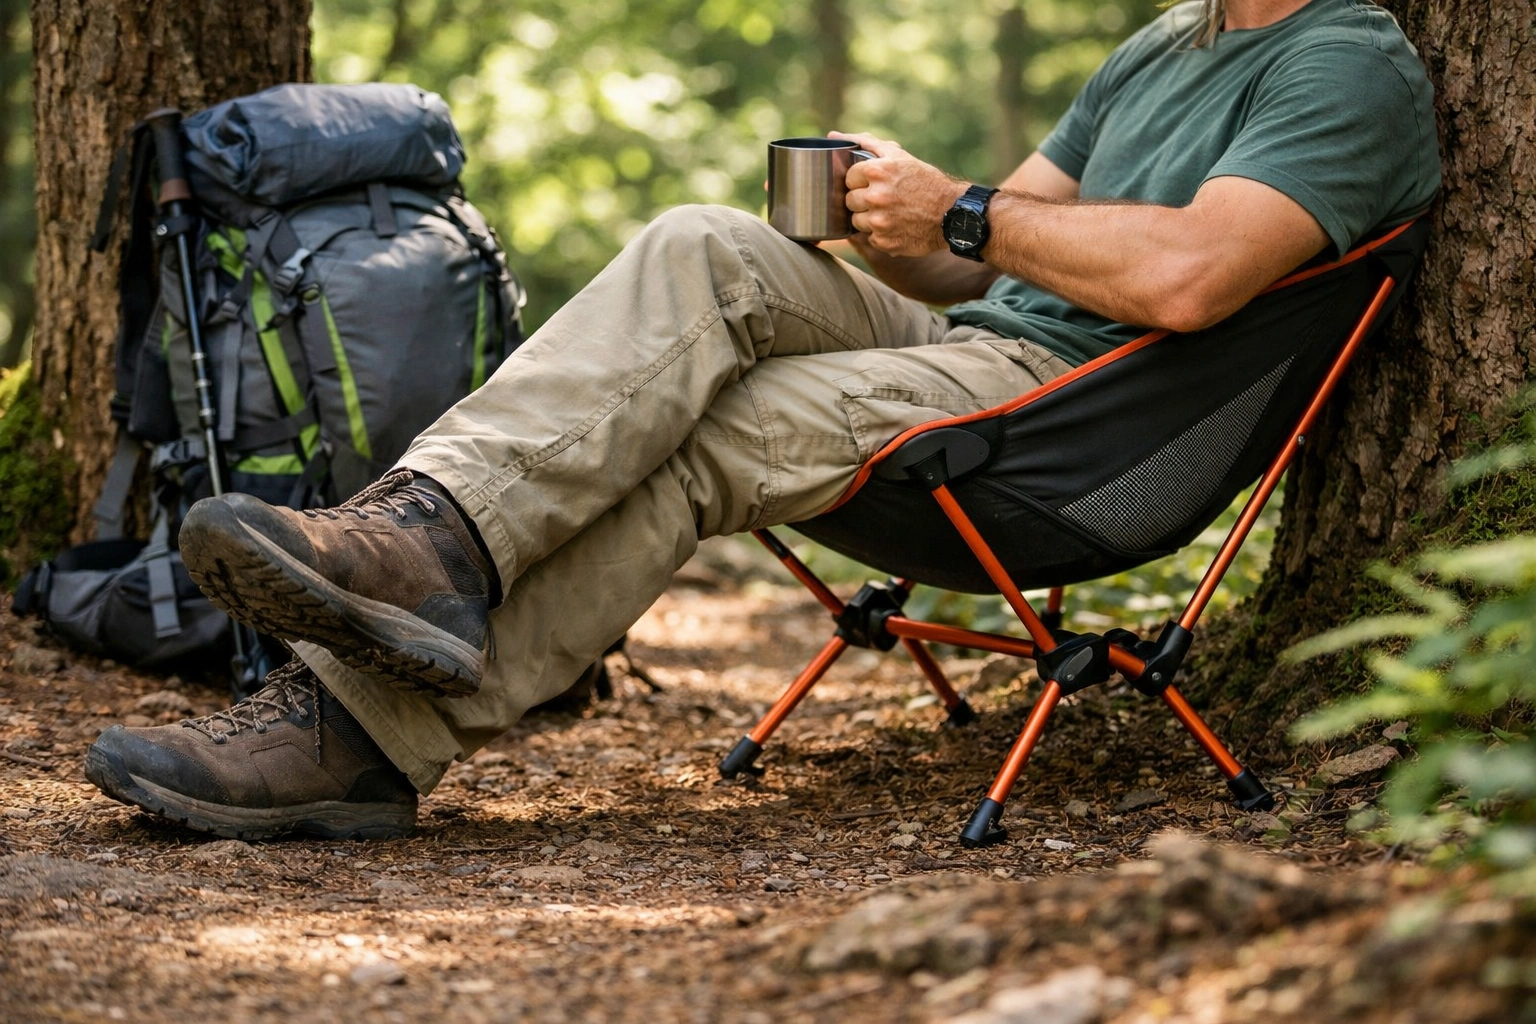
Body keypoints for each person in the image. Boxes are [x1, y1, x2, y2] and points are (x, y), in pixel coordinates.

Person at [84, 0, 1440, 840]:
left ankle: (357, 736)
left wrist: (968, 212)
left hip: (1079, 425)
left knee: (723, 420)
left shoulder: (1344, 62)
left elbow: (1193, 278)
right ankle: (424, 536)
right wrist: (898, 214)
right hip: (978, 349)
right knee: (705, 242)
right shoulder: (1168, 40)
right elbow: (975, 262)